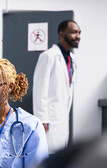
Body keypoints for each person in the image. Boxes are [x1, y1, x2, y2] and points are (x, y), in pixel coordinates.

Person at [33, 20, 81, 154]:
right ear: (62, 33)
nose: (78, 36)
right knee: (45, 154)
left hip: (62, 118)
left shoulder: (71, 59)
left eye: (79, 33)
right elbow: (39, 90)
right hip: (49, 120)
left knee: (59, 154)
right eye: (74, 32)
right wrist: (42, 120)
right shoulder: (48, 56)